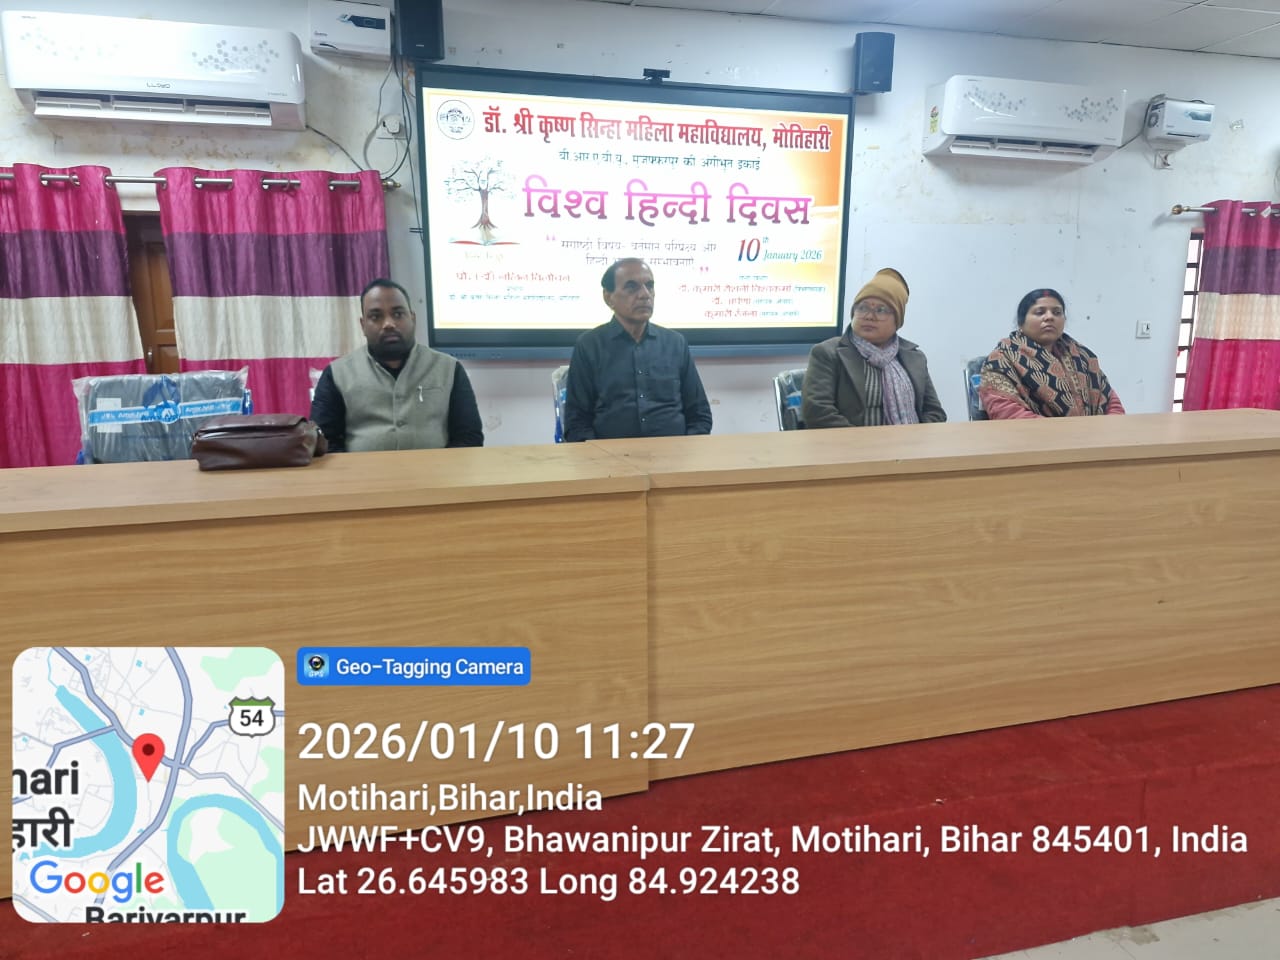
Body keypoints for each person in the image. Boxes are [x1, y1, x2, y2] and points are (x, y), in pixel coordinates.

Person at [310, 278, 484, 451]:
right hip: (362, 470)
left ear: (413, 319)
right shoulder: (337, 374)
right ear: (363, 325)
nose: (389, 324)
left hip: (438, 469)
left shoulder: (449, 369)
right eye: (376, 317)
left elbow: (469, 437)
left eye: (398, 314)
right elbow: (324, 443)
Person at [563, 258, 712, 441]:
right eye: (631, 287)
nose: (644, 295)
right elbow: (576, 422)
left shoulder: (675, 343)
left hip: (674, 453)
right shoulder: (589, 345)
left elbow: (700, 414)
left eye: (649, 286)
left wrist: (687, 449)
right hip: (611, 455)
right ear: (608, 297)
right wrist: (599, 455)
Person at [800, 267, 946, 428]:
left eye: (881, 310)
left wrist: (915, 438)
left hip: (910, 442)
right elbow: (817, 412)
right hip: (850, 443)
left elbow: (934, 412)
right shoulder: (828, 353)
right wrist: (866, 441)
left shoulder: (915, 357)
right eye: (862, 308)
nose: (869, 316)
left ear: (897, 319)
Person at [979, 288, 1125, 419]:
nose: (1049, 317)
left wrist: (1111, 427)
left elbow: (1110, 400)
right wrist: (1063, 435)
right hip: (1032, 437)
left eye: (1057, 312)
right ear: (1021, 322)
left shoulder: (1082, 357)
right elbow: (1007, 412)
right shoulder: (1002, 359)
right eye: (1039, 312)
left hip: (1093, 436)